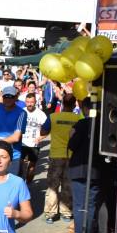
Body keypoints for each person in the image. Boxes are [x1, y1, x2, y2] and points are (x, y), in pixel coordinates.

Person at [66, 99, 99, 233]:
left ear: (86, 109)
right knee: (90, 204)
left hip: (80, 169)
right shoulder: (103, 125)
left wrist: (71, 135)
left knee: (80, 206)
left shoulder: (81, 124)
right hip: (96, 171)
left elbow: (72, 145)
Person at [42, 94, 77, 224]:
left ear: (62, 104)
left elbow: (43, 132)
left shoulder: (53, 117)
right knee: (68, 184)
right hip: (71, 155)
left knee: (53, 185)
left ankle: (51, 214)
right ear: (74, 105)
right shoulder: (78, 118)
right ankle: (66, 213)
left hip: (56, 155)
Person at [20, 92, 49, 185]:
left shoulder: (41, 114)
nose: (29, 104)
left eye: (32, 102)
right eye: (28, 102)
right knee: (19, 165)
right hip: (22, 143)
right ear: (25, 102)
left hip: (34, 144)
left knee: (32, 167)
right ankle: (19, 184)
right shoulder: (21, 111)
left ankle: (27, 185)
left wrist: (41, 137)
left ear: (35, 102)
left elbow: (48, 129)